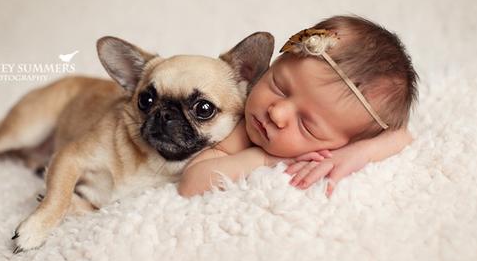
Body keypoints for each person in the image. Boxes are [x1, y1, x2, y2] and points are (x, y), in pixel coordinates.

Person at [178, 15, 418, 197]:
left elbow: (402, 135)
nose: (277, 112)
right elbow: (192, 183)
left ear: (343, 141)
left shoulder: (345, 142)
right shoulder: (241, 126)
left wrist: (358, 152)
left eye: (307, 125)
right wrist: (262, 158)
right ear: (276, 63)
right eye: (279, 86)